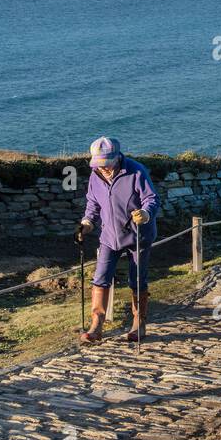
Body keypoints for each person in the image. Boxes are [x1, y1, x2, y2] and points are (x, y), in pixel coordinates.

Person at [75, 136, 160, 344]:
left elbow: (152, 199)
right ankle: (96, 326)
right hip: (109, 236)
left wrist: (146, 214)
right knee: (100, 277)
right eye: (98, 164)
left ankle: (139, 324)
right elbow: (93, 204)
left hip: (137, 235)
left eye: (105, 164)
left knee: (137, 279)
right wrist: (87, 223)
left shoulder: (136, 171)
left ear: (116, 158)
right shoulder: (95, 175)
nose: (102, 168)